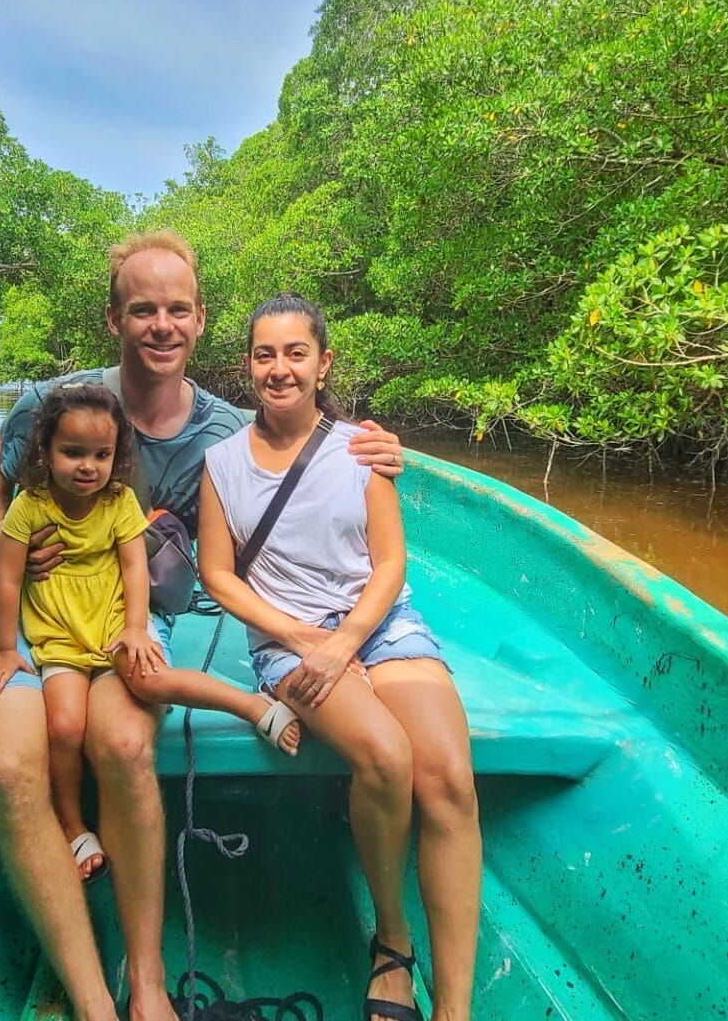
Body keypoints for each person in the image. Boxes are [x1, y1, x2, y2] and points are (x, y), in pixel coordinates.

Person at [0, 231, 405, 1021]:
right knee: (6, 768)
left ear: (200, 320)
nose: (160, 325)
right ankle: (94, 998)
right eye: (142, 310)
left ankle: (149, 979)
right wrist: (0, 541)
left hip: (131, 618)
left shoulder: (227, 430)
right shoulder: (54, 401)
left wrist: (384, 449)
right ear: (113, 319)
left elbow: (311, 442)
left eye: (176, 310)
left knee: (126, 743)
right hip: (27, 612)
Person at [196, 293, 481, 1021]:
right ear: (248, 365)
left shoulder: (363, 446)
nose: (280, 368)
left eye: (297, 353)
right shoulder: (222, 463)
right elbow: (218, 576)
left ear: (324, 365)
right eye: (265, 354)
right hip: (285, 639)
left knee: (447, 772)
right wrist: (302, 640)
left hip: (378, 624)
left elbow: (389, 563)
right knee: (386, 755)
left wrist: (348, 641)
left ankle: (456, 1007)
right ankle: (392, 942)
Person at [0, 382, 303, 886]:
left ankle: (253, 706)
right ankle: (73, 824)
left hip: (110, 622)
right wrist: (2, 651)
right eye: (73, 453)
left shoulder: (119, 501)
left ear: (116, 456)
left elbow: (133, 568)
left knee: (149, 679)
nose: (88, 466)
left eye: (102, 455)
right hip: (59, 635)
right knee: (63, 727)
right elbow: (10, 581)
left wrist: (135, 628)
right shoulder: (30, 507)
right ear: (46, 451)